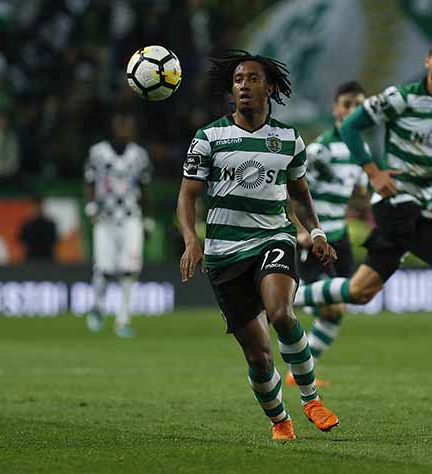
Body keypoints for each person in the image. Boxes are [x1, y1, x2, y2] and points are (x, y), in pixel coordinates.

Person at [293, 37, 432, 388]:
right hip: (397, 203)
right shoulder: (401, 98)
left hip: (417, 204)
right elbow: (350, 126)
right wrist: (373, 172)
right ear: (428, 62)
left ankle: (281, 296)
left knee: (360, 291)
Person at [177, 50, 340, 440]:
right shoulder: (209, 138)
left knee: (281, 314)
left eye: (252, 79)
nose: (244, 86)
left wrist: (316, 232)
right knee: (260, 357)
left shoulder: (287, 139)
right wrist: (191, 240)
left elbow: (300, 196)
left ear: (269, 88)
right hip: (223, 253)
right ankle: (280, 421)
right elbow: (187, 195)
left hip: (273, 237)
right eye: (238, 80)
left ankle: (312, 399)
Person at [286, 81, 369, 387]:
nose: (353, 110)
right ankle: (278, 299)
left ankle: (298, 373)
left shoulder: (361, 150)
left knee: (338, 310)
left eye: (359, 105)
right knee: (332, 304)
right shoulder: (320, 150)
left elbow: (357, 195)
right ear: (336, 109)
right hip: (317, 240)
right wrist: (301, 231)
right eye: (347, 104)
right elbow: (289, 192)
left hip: (340, 239)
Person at [84, 111, 153, 338]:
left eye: (128, 125)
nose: (125, 129)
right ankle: (98, 306)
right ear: (113, 128)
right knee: (104, 269)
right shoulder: (98, 153)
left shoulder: (139, 155)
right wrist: (91, 206)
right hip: (105, 217)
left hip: (131, 217)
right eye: (121, 125)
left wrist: (148, 219)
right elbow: (89, 181)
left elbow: (145, 187)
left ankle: (123, 319)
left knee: (130, 269)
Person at [18, 194, 57, 261]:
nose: (37, 209)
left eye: (39, 206)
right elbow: (20, 239)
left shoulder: (49, 224)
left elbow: (54, 241)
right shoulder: (27, 224)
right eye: (35, 207)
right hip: (31, 258)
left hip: (47, 258)